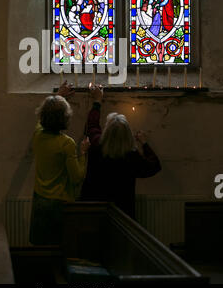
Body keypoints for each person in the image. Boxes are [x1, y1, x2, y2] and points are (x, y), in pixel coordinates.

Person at [80, 85, 161, 219]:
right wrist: (144, 143)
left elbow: (92, 125)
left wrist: (97, 102)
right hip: (122, 212)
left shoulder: (96, 145)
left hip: (94, 208)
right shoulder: (131, 156)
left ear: (106, 131)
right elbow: (154, 166)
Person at [29, 82, 89, 245]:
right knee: (60, 246)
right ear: (65, 118)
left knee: (41, 247)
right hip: (59, 203)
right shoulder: (66, 143)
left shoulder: (38, 135)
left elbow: (43, 119)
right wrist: (82, 153)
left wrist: (58, 96)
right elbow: (76, 177)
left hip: (40, 200)